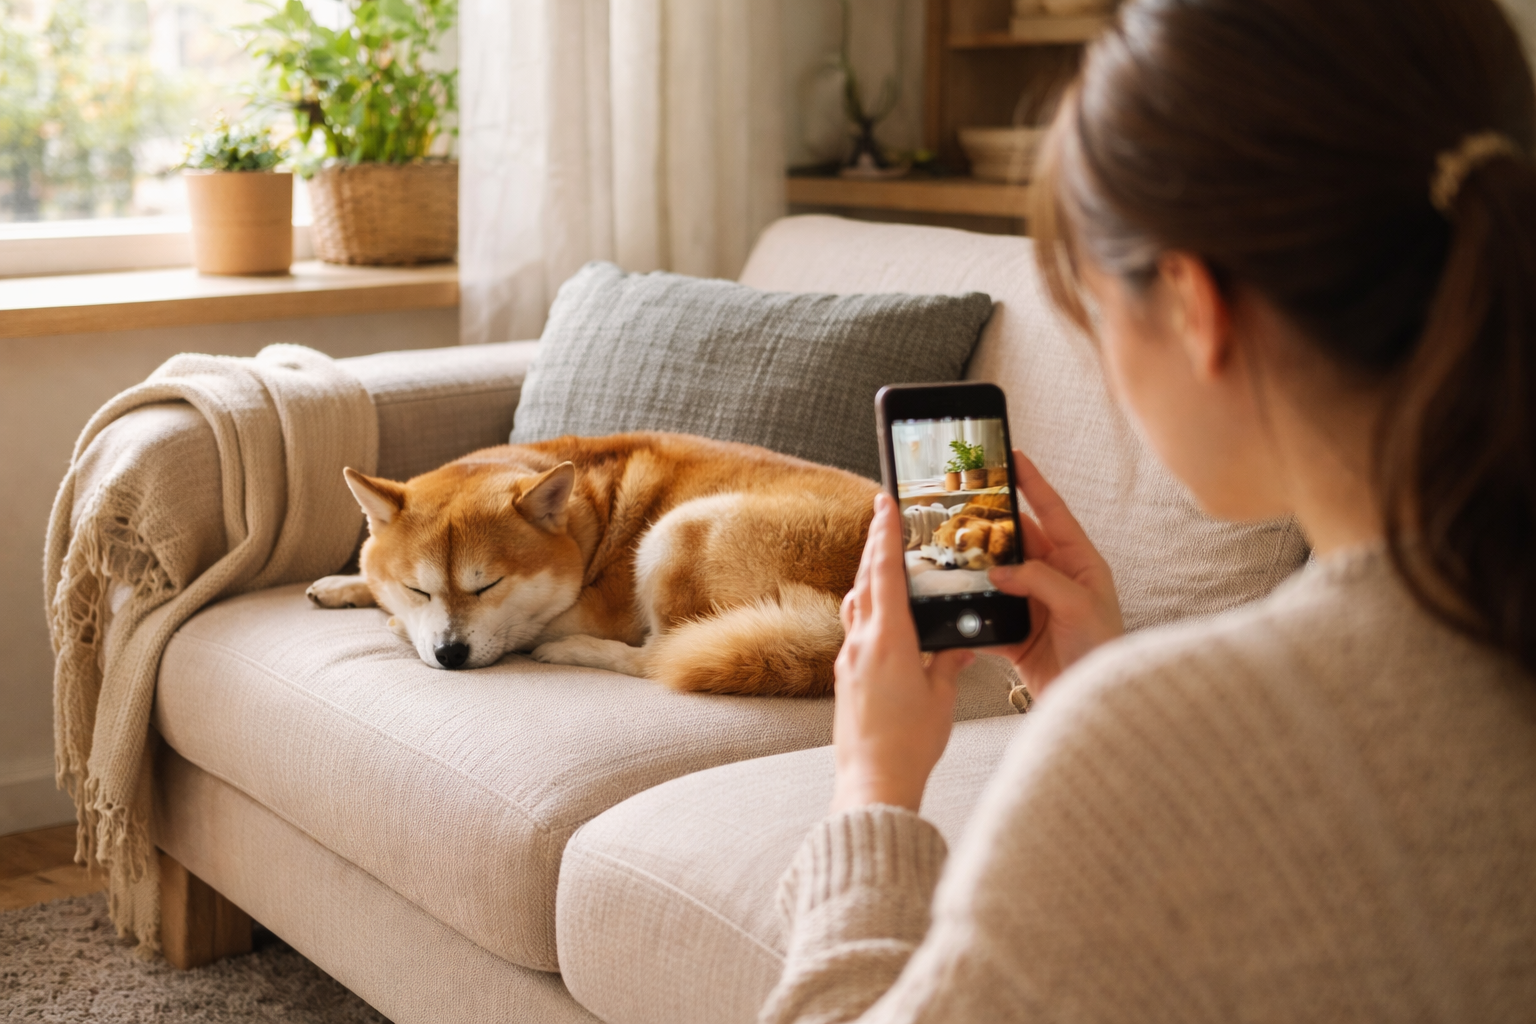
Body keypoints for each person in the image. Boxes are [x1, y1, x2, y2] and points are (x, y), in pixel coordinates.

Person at [760, 0, 1536, 1020]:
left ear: (1192, 305)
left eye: (1092, 311)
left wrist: (870, 786)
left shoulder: (1151, 751)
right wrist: (1110, 689)